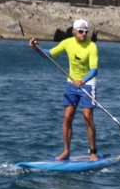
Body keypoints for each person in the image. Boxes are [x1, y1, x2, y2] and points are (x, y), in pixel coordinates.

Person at [29, 19, 99, 161]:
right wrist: (37, 48)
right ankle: (66, 151)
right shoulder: (67, 43)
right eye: (80, 31)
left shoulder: (92, 46)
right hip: (71, 83)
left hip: (88, 83)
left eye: (86, 32)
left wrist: (83, 80)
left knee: (88, 118)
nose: (83, 34)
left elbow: (94, 69)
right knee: (67, 118)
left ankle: (93, 152)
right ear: (74, 31)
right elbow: (49, 54)